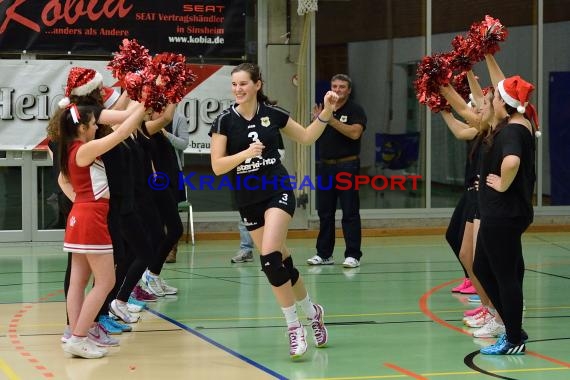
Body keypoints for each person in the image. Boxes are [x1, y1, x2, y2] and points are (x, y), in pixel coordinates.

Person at [210, 62, 338, 359]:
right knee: (281, 263)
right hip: (247, 199)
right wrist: (243, 154)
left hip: (278, 191)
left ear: (258, 84)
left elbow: (307, 137)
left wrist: (327, 112)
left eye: (243, 83)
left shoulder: (273, 115)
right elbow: (217, 167)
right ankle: (312, 310)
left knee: (268, 257)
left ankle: (293, 328)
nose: (238, 89)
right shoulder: (223, 122)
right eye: (234, 85)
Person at [57, 78, 146, 358]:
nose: (97, 127)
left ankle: (75, 333)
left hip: (79, 218)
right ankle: (80, 337)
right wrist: (146, 100)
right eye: (93, 125)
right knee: (106, 282)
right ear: (82, 128)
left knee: (77, 282)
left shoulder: (71, 150)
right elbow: (120, 134)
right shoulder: (85, 149)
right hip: (92, 219)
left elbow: (63, 179)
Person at [474, 54, 538, 355]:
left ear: (503, 103)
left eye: (494, 97)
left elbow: (511, 161)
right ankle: (513, 325)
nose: (491, 101)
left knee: (503, 274)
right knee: (482, 267)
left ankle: (513, 337)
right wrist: (487, 54)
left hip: (504, 214)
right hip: (504, 213)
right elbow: (504, 84)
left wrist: (501, 182)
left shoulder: (512, 129)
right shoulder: (519, 122)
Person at [307, 74, 367, 268]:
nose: (338, 89)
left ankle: (353, 255)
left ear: (349, 90)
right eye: (335, 86)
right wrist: (317, 121)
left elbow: (355, 133)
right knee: (325, 212)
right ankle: (324, 254)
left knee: (349, 211)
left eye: (342, 87)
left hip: (347, 166)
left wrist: (329, 119)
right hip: (325, 166)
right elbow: (312, 134)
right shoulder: (324, 109)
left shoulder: (355, 109)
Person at [231, 136, 284, 264]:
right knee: (246, 215)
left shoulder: (269, 125)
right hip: (245, 179)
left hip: (267, 179)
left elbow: (281, 152)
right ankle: (246, 249)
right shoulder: (233, 129)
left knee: (272, 217)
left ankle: (272, 251)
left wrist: (265, 165)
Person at [164, 108, 190, 263]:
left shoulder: (178, 117)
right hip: (151, 170)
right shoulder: (147, 115)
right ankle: (155, 248)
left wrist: (166, 135)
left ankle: (171, 250)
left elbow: (184, 144)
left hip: (173, 170)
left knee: (171, 211)